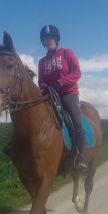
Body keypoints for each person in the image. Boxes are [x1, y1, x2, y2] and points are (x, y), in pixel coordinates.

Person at [38, 24, 88, 173]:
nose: (49, 40)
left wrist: (60, 82)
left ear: (57, 39)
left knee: (77, 122)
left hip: (68, 93)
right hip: (51, 95)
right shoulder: (42, 62)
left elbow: (76, 72)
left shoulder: (67, 53)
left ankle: (80, 156)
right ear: (43, 42)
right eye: (46, 39)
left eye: (51, 38)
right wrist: (45, 87)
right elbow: (41, 81)